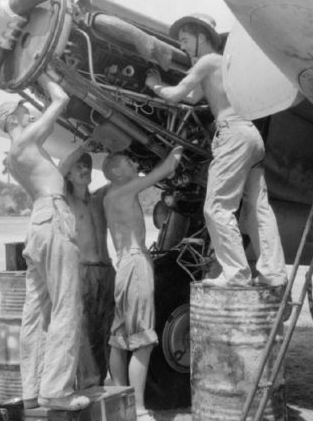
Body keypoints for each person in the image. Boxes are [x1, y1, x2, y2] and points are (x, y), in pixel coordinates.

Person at [145, 13, 287, 289]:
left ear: (201, 36)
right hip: (250, 136)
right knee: (257, 211)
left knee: (216, 207)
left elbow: (175, 95)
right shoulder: (223, 65)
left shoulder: (208, 61)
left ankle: (235, 273)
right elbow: (192, 98)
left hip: (231, 134)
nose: (183, 47)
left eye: (185, 40)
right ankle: (273, 272)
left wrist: (153, 84)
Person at [0, 75, 89, 412]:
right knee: (66, 303)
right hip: (53, 218)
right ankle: (57, 391)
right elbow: (60, 100)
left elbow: (52, 173)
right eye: (24, 111)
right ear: (15, 119)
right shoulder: (26, 140)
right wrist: (44, 75)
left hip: (37, 221)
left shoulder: (15, 157)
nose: (30, 115)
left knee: (34, 311)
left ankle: (32, 390)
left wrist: (82, 146)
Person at [102, 146, 183, 420]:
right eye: (128, 161)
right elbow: (165, 169)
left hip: (123, 263)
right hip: (136, 263)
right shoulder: (124, 190)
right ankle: (137, 408)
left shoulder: (109, 196)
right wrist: (177, 149)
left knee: (118, 337)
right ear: (115, 172)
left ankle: (120, 399)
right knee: (143, 341)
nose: (134, 162)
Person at [58, 141, 115, 389]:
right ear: (70, 174)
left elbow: (123, 177)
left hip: (106, 270)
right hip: (83, 270)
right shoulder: (67, 199)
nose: (84, 170)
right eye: (79, 166)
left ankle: (99, 382)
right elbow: (60, 168)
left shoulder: (100, 198)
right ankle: (88, 384)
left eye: (88, 166)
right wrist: (83, 147)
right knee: (84, 329)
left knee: (105, 329)